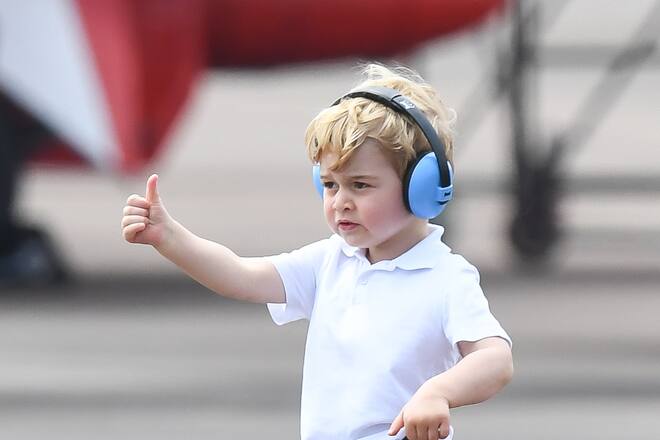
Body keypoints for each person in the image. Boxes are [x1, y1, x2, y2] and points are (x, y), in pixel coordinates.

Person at [121, 63, 513, 440]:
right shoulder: (330, 261)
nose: (340, 201)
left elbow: (494, 358)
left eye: (360, 185)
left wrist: (438, 392)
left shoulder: (445, 278)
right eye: (329, 185)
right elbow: (240, 277)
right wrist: (168, 237)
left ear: (422, 188)